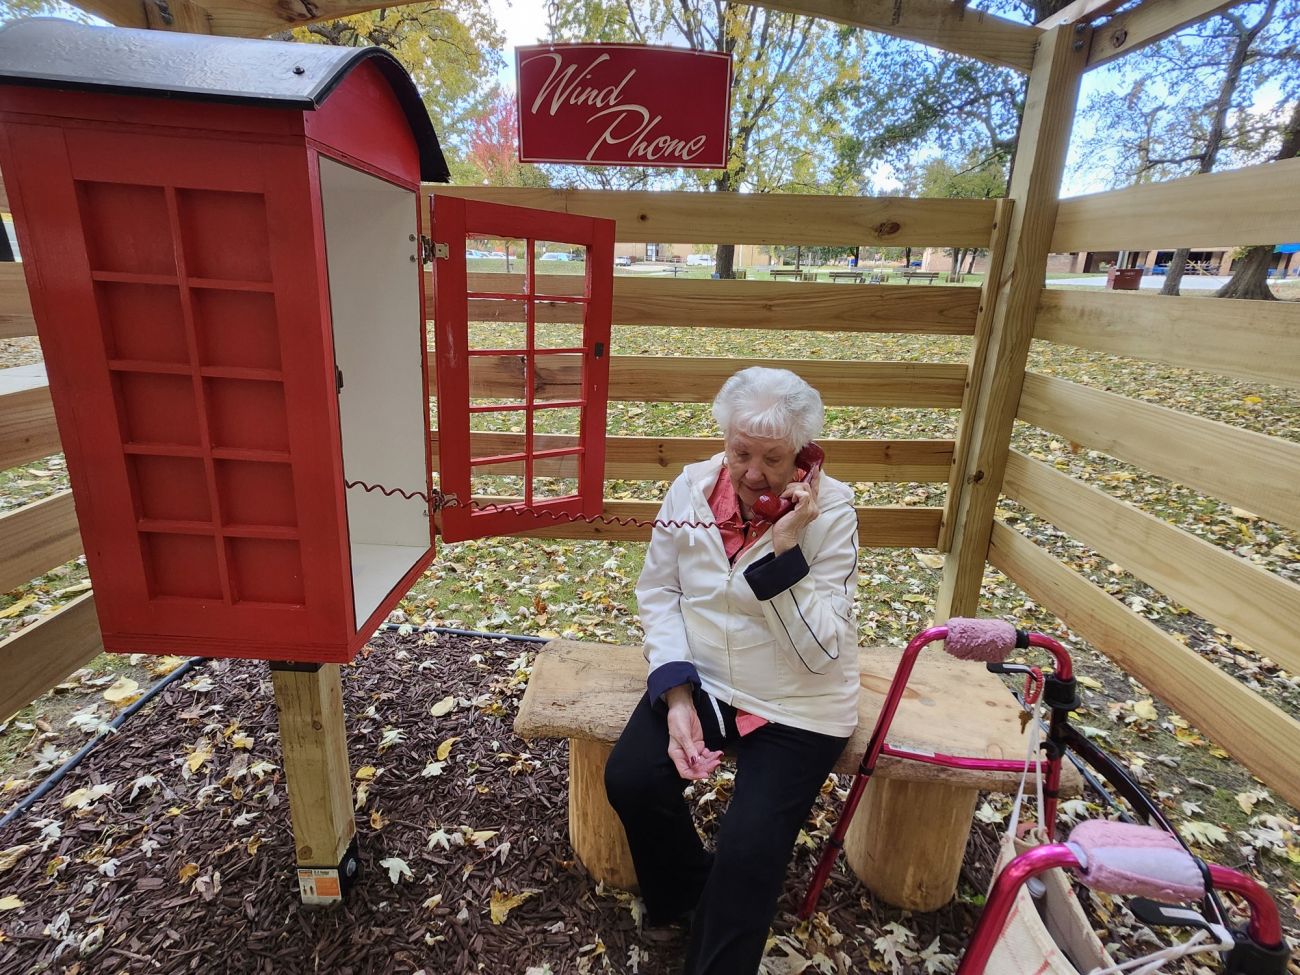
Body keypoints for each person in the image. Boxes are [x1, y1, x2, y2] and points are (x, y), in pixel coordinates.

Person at [604, 366, 861, 974]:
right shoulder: (690, 490)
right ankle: (690, 897)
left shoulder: (835, 512)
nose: (751, 473)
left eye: (773, 459)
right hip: (707, 680)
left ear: (801, 454)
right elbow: (659, 593)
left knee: (749, 852)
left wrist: (784, 550)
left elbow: (821, 651)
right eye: (739, 451)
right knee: (634, 781)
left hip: (799, 703)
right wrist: (677, 697)